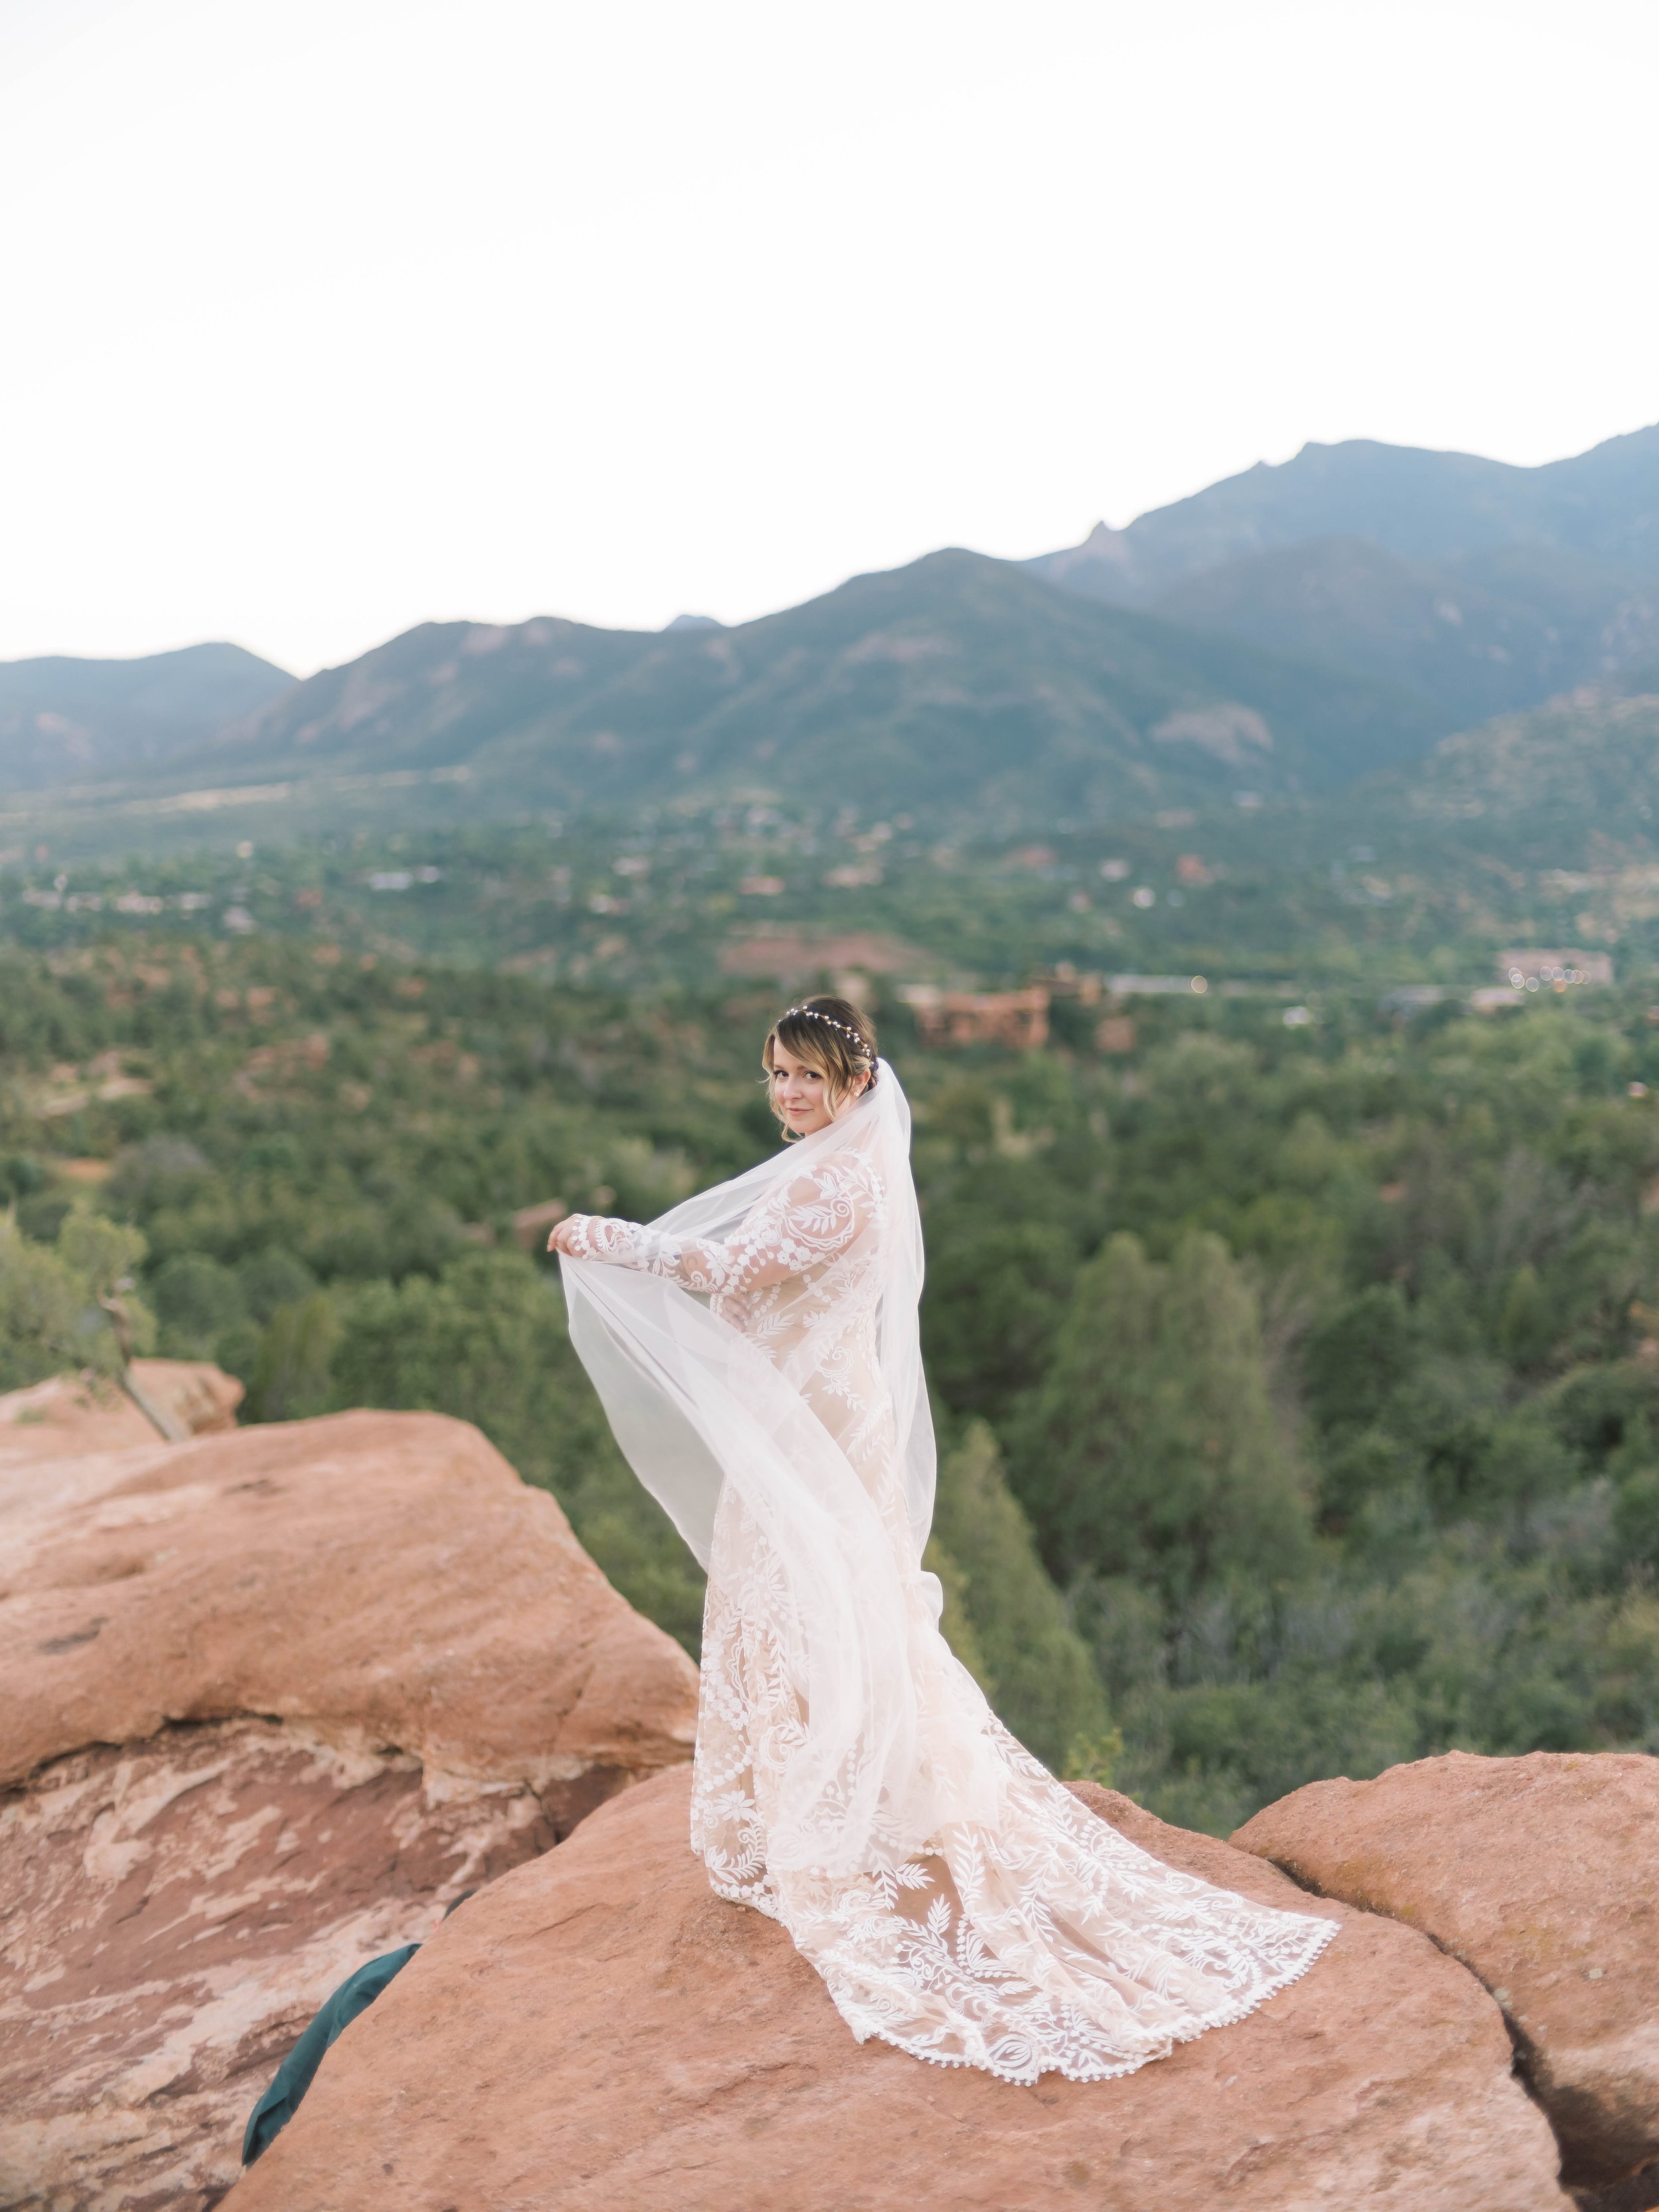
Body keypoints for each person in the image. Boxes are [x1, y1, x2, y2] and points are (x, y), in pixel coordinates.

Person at [551, 995, 1336, 2083]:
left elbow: (728, 1274)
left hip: (819, 1427)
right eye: (777, 1073)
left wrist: (603, 1237)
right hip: (809, 1415)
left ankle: (854, 1797)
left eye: (809, 1080)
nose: (788, 1094)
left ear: (855, 1086)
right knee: (794, 1599)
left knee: (819, 1599)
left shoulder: (834, 1181)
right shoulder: (824, 1166)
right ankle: (822, 1790)